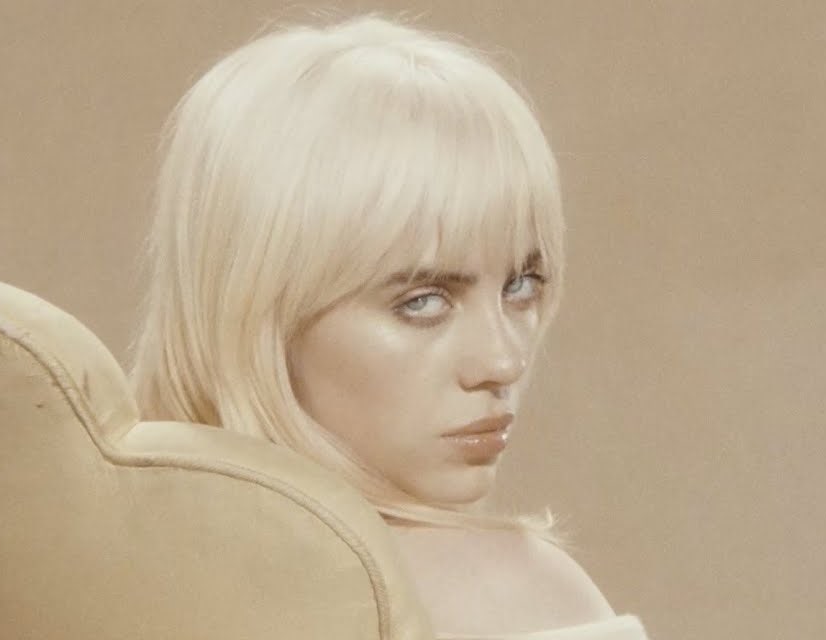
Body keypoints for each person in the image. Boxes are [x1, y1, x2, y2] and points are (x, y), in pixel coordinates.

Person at [129, 13, 649, 639]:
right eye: (423, 302)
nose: (503, 362)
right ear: (259, 313)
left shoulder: (88, 574)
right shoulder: (512, 592)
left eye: (521, 286)